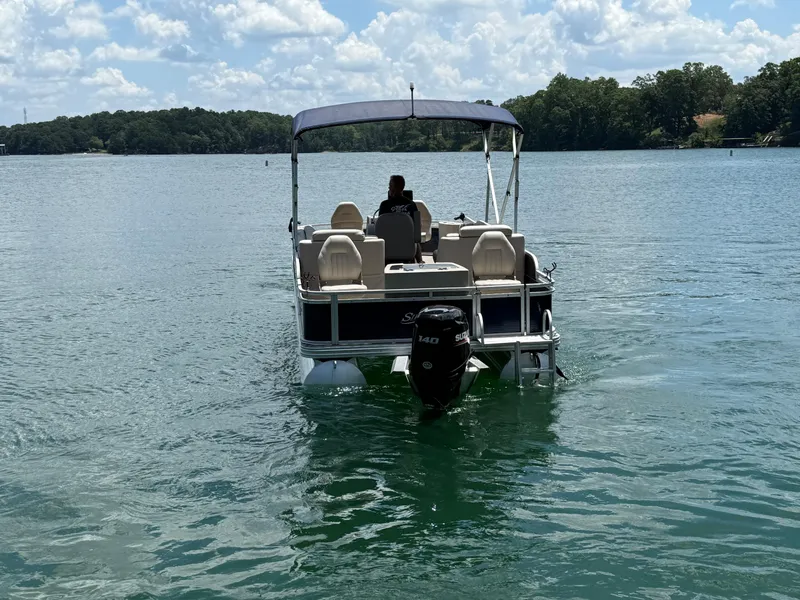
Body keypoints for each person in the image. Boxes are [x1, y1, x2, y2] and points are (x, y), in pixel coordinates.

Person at [377, 175, 422, 263]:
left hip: (387, 250)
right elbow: (417, 230)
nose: (388, 187)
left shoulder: (384, 205)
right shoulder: (412, 205)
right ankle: (420, 262)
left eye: (390, 186)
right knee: (416, 240)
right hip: (408, 250)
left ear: (392, 189)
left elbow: (380, 228)